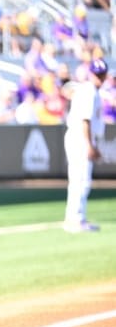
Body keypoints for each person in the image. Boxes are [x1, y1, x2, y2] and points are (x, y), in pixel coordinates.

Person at [63, 58, 108, 233]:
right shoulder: (89, 91)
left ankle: (76, 217)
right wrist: (89, 145)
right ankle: (75, 219)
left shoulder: (91, 91)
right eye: (97, 74)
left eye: (101, 74)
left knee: (82, 180)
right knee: (79, 180)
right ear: (92, 74)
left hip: (81, 137)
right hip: (80, 137)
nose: (99, 78)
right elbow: (85, 120)